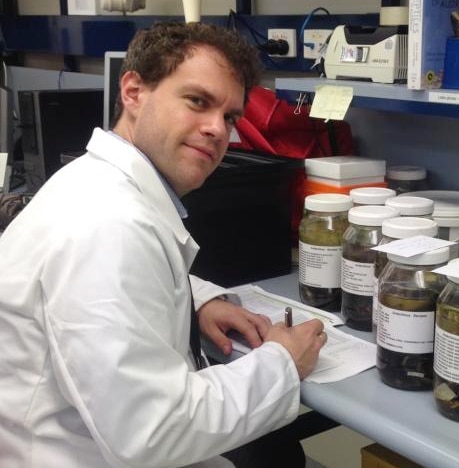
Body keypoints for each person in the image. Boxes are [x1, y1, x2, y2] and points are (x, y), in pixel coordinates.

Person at [0, 21, 327, 467]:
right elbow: (152, 434)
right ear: (133, 91)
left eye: (230, 116)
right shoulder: (107, 225)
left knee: (279, 453)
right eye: (197, 101)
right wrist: (283, 362)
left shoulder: (98, 183)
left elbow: (117, 287)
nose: (218, 131)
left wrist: (199, 299)